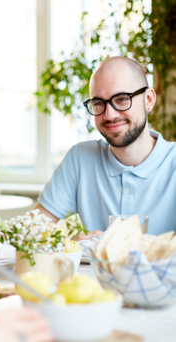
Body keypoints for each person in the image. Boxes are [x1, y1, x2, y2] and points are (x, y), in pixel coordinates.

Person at [35, 56, 176, 235]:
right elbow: (33, 227)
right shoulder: (79, 158)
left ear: (148, 100)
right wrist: (70, 245)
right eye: (98, 103)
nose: (109, 115)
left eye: (122, 99)